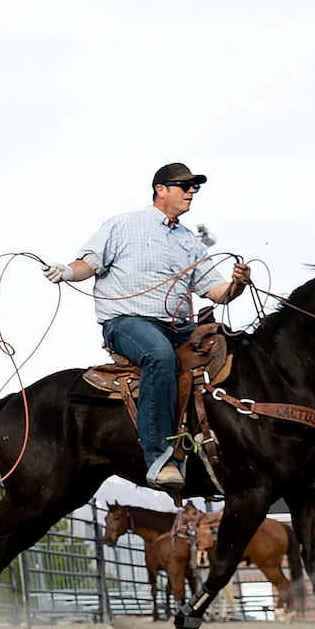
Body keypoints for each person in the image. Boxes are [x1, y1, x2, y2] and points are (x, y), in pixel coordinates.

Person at [42, 162, 252, 490]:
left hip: (180, 327)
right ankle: (159, 457)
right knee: (159, 356)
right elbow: (89, 263)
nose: (192, 192)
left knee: (235, 346)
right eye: (185, 186)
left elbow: (217, 292)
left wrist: (238, 284)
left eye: (194, 187)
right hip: (127, 322)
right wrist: (66, 272)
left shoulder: (190, 243)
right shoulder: (123, 225)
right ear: (161, 190)